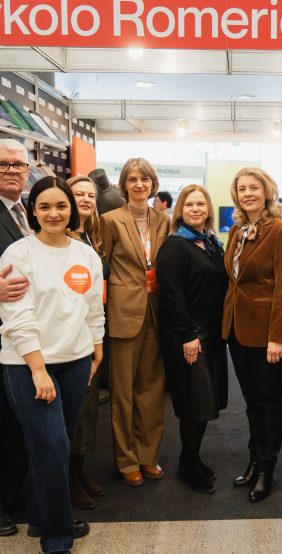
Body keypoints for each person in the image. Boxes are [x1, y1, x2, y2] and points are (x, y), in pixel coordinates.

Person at [0, 176, 104, 554]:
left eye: (61, 205)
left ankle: (41, 517)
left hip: (76, 361)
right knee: (52, 445)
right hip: (27, 365)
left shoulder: (86, 255)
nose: (54, 213)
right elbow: (16, 317)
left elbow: (92, 306)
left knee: (55, 444)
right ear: (33, 211)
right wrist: (38, 369)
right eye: (44, 206)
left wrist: (97, 346)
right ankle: (57, 539)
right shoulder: (18, 254)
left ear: (71, 210)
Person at [222, 167, 282, 503]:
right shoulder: (237, 230)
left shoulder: (281, 230)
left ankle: (267, 467)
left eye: (254, 188)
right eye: (242, 189)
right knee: (252, 403)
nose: (248, 194)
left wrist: (277, 337)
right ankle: (254, 459)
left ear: (267, 192)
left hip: (268, 333)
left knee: (269, 402)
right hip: (238, 330)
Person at [100, 158, 170, 487]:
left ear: (153, 184)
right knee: (123, 393)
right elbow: (102, 267)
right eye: (132, 179)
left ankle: (148, 455)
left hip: (157, 312)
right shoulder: (110, 220)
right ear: (124, 185)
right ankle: (126, 460)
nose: (139, 185)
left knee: (152, 390)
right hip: (123, 313)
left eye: (144, 179)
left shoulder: (165, 221)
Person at [157, 185, 228, 494]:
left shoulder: (211, 243)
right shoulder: (175, 246)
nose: (196, 209)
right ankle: (187, 465)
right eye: (189, 204)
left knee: (205, 401)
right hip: (188, 335)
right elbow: (171, 295)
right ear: (180, 210)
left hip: (212, 334)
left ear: (208, 208)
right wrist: (188, 335)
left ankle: (192, 458)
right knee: (194, 403)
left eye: (200, 204)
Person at [66, 175, 110, 510]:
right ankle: (68, 479)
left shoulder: (92, 236)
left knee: (88, 408)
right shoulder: (60, 238)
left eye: (90, 195)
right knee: (73, 410)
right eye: (78, 193)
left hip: (92, 331)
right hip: (68, 336)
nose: (85, 199)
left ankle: (79, 472)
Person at [0, 138, 31, 537]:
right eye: (3, 164)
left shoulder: (28, 212)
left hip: (22, 336)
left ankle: (12, 493)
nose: (11, 171)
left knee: (14, 421)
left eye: (18, 165)